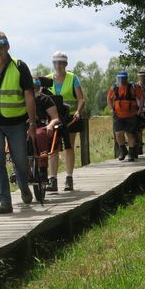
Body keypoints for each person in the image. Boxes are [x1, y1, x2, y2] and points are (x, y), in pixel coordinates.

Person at [0, 31, 37, 214]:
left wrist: (32, 124)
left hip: (16, 122)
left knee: (20, 162)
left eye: (1, 45)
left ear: (8, 46)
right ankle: (5, 202)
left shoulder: (20, 67)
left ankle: (24, 188)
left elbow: (29, 96)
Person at [45, 51, 85, 192]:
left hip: (69, 118)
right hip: (53, 118)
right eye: (56, 62)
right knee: (52, 148)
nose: (58, 65)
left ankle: (69, 178)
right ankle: (52, 179)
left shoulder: (73, 78)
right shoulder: (48, 79)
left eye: (61, 62)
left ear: (66, 64)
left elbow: (81, 98)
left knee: (69, 147)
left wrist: (78, 111)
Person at [107, 71, 143, 162]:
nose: (122, 80)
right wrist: (111, 109)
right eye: (120, 78)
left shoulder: (134, 87)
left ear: (127, 78)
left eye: (123, 78)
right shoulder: (114, 88)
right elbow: (109, 98)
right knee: (118, 134)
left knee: (131, 134)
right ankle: (123, 150)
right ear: (118, 78)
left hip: (132, 115)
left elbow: (141, 97)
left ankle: (131, 153)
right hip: (118, 115)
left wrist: (140, 109)